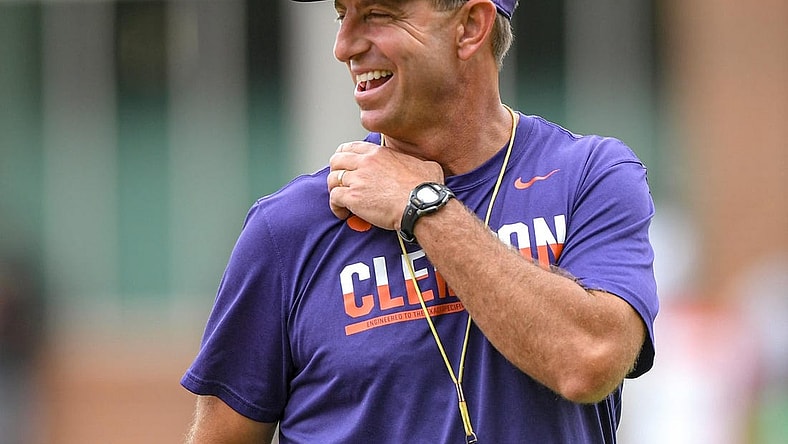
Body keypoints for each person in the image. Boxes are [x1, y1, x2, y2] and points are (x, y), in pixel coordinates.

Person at [181, 0, 659, 442]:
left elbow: (589, 360)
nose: (344, 46)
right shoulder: (288, 228)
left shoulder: (590, 178)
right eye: (341, 14)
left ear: (470, 27)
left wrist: (425, 207)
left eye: (378, 14)